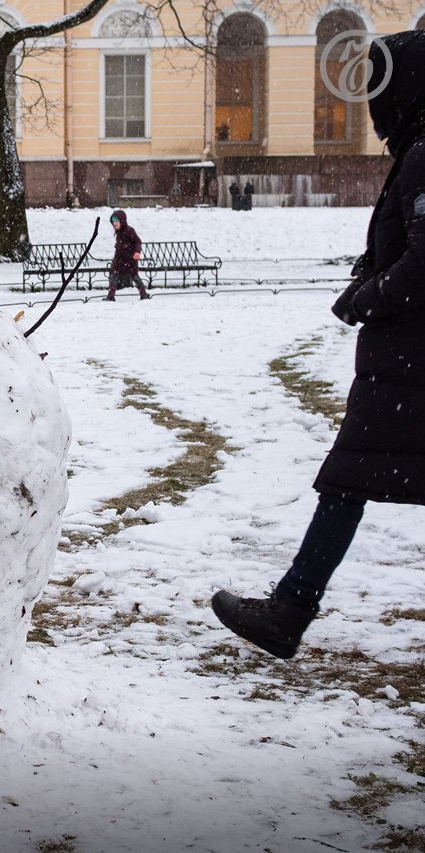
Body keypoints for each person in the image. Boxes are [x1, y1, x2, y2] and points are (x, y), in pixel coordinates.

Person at [212, 30, 425, 659]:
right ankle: (289, 607)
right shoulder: (417, 149)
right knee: (350, 480)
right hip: (407, 360)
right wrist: (372, 269)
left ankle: (289, 610)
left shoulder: (424, 153)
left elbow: (424, 265)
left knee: (348, 480)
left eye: (379, 89)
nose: (372, 107)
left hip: (410, 361)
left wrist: (366, 297)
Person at [105, 209, 150, 301]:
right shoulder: (118, 232)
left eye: (116, 221)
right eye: (113, 222)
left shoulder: (129, 230)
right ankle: (111, 296)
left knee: (134, 276)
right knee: (113, 276)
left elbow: (137, 242)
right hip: (119, 259)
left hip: (129, 259)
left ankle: (143, 293)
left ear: (122, 221)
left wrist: (137, 252)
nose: (115, 224)